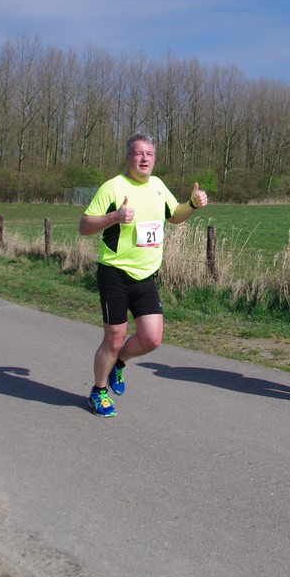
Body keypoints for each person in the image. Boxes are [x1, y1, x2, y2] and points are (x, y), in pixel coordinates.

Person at [79, 132, 208, 417]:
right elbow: (84, 226)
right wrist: (114, 217)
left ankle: (118, 364)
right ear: (128, 157)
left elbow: (174, 215)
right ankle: (98, 391)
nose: (144, 159)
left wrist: (192, 204)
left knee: (152, 339)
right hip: (115, 272)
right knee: (114, 338)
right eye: (139, 154)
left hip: (147, 275)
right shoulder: (113, 187)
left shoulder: (158, 186)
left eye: (149, 154)